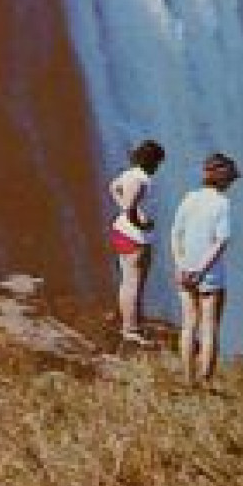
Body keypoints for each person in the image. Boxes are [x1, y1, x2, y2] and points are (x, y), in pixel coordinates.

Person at [170, 152, 242, 387]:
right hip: (209, 275)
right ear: (223, 179)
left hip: (184, 270)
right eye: (230, 179)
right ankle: (205, 381)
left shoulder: (189, 198)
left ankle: (187, 379)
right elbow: (221, 241)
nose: (231, 184)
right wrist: (201, 270)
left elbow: (175, 234)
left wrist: (180, 264)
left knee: (188, 324)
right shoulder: (222, 203)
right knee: (209, 327)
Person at [108, 139, 165, 347]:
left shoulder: (129, 173)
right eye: (158, 162)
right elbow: (131, 207)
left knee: (128, 281)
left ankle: (128, 322)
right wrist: (141, 223)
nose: (159, 167)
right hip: (135, 238)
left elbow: (113, 188)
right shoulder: (141, 179)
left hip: (121, 232)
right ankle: (130, 329)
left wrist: (126, 209)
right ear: (153, 161)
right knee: (134, 284)